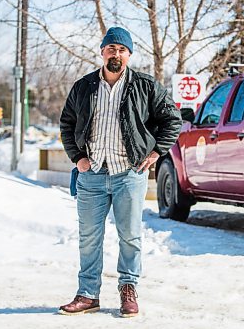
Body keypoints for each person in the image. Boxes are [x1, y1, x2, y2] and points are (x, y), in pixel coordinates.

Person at [59, 27, 182, 317]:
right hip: (92, 174)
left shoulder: (146, 85)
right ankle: (88, 294)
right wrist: (77, 157)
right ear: (102, 51)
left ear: (129, 54)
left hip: (129, 173)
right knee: (89, 237)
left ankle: (128, 289)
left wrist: (155, 152)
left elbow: (172, 120)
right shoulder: (84, 87)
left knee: (130, 236)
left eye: (122, 49)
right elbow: (67, 123)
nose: (116, 53)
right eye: (111, 48)